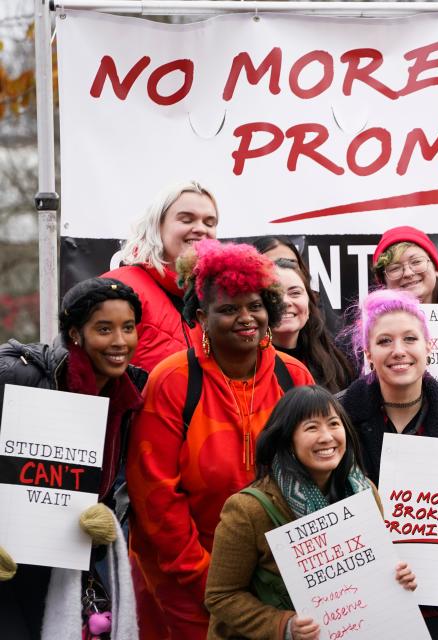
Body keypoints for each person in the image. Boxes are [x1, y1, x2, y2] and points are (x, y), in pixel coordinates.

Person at [126, 239, 315, 640]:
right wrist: (213, 584)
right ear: (201, 316)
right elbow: (155, 496)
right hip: (186, 583)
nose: (246, 318)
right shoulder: (172, 380)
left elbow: (320, 472)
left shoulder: (294, 376)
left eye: (255, 305)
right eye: (228, 309)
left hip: (279, 580)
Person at [337, 288, 438, 640]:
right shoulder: (339, 418)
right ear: (367, 353)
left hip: (431, 602)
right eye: (385, 341)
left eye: (410, 338)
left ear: (429, 347)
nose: (399, 351)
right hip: (356, 602)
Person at [205, 385, 417, 640]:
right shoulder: (248, 510)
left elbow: (375, 569)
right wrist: (284, 626)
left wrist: (398, 577)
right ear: (287, 440)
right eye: (311, 428)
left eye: (333, 424)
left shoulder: (365, 492)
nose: (327, 437)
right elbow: (221, 595)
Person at [0, 278, 147, 640]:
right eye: (104, 329)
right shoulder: (18, 376)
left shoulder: (131, 396)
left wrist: (103, 525)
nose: (119, 342)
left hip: (63, 571)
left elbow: (98, 491)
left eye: (128, 328)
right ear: (75, 334)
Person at [103, 180, 218, 371]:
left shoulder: (218, 297)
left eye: (209, 222)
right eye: (186, 219)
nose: (201, 229)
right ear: (157, 226)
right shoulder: (118, 287)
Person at [272, 258, 354, 391]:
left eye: (295, 293)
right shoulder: (249, 366)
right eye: (274, 295)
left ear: (309, 303)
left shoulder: (335, 361)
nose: (285, 301)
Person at [371, 225, 438, 304]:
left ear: (435, 268)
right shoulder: (375, 316)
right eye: (395, 268)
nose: (408, 273)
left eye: (416, 262)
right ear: (384, 281)